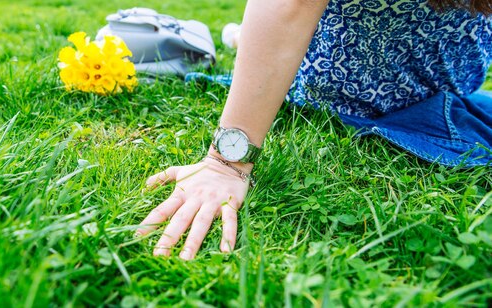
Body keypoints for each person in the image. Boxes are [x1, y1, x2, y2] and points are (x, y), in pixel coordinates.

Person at [135, 0, 492, 260]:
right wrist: (224, 163)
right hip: (320, 78)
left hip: (442, 92)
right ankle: (244, 37)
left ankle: (241, 37)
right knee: (268, 40)